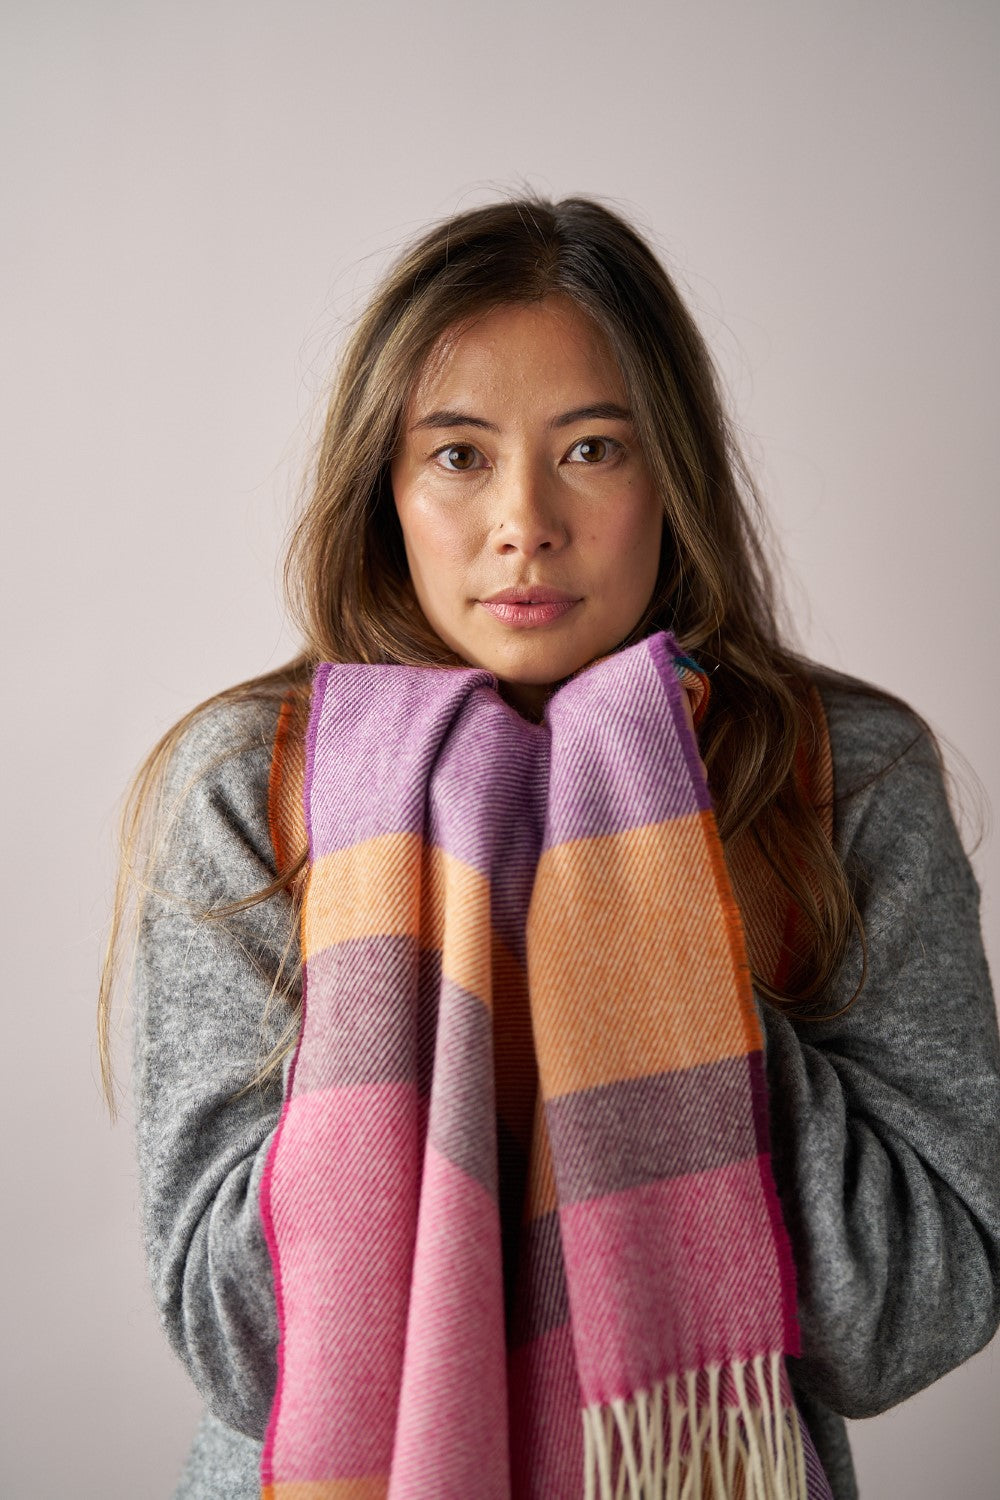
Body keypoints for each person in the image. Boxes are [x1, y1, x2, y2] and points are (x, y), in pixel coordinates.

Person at [100, 194, 1000, 1500]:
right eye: (458, 456)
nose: (525, 519)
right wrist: (414, 972)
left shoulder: (841, 773)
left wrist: (648, 945)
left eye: (590, 448)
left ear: (670, 474)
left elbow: (924, 1302)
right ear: (386, 492)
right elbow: (234, 1342)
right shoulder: (249, 785)